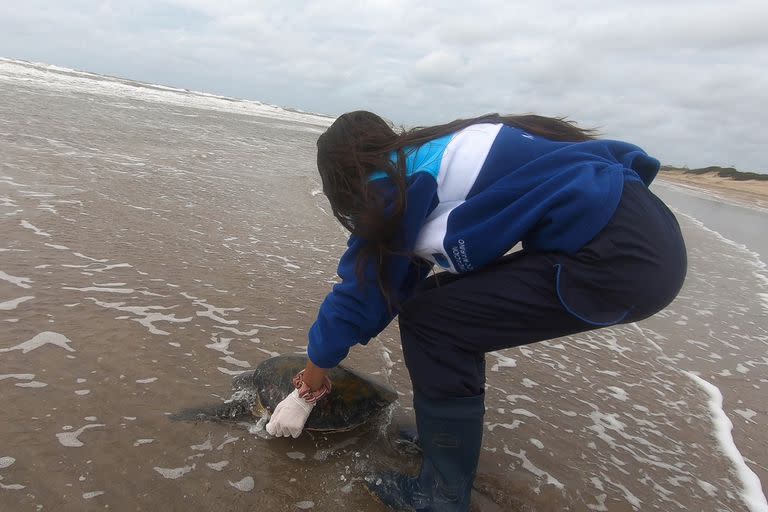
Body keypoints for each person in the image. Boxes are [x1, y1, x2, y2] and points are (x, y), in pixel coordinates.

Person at [265, 111, 687, 511]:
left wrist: (308, 388)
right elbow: (401, 272)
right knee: (440, 304)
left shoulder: (395, 184)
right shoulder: (438, 152)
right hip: (643, 234)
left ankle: (440, 496)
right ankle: (443, 444)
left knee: (433, 321)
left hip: (620, 259)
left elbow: (363, 293)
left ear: (344, 177)